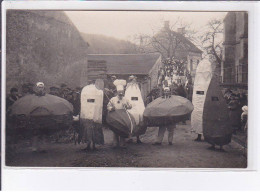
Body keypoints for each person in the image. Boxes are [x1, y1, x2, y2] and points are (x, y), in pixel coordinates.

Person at [107, 80, 132, 148]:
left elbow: (130, 106)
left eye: (122, 92)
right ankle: (115, 142)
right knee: (115, 129)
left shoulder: (125, 99)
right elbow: (108, 106)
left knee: (122, 129)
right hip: (115, 116)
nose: (120, 93)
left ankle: (122, 143)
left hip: (123, 116)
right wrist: (112, 108)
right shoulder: (113, 99)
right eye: (119, 92)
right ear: (117, 92)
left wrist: (127, 106)